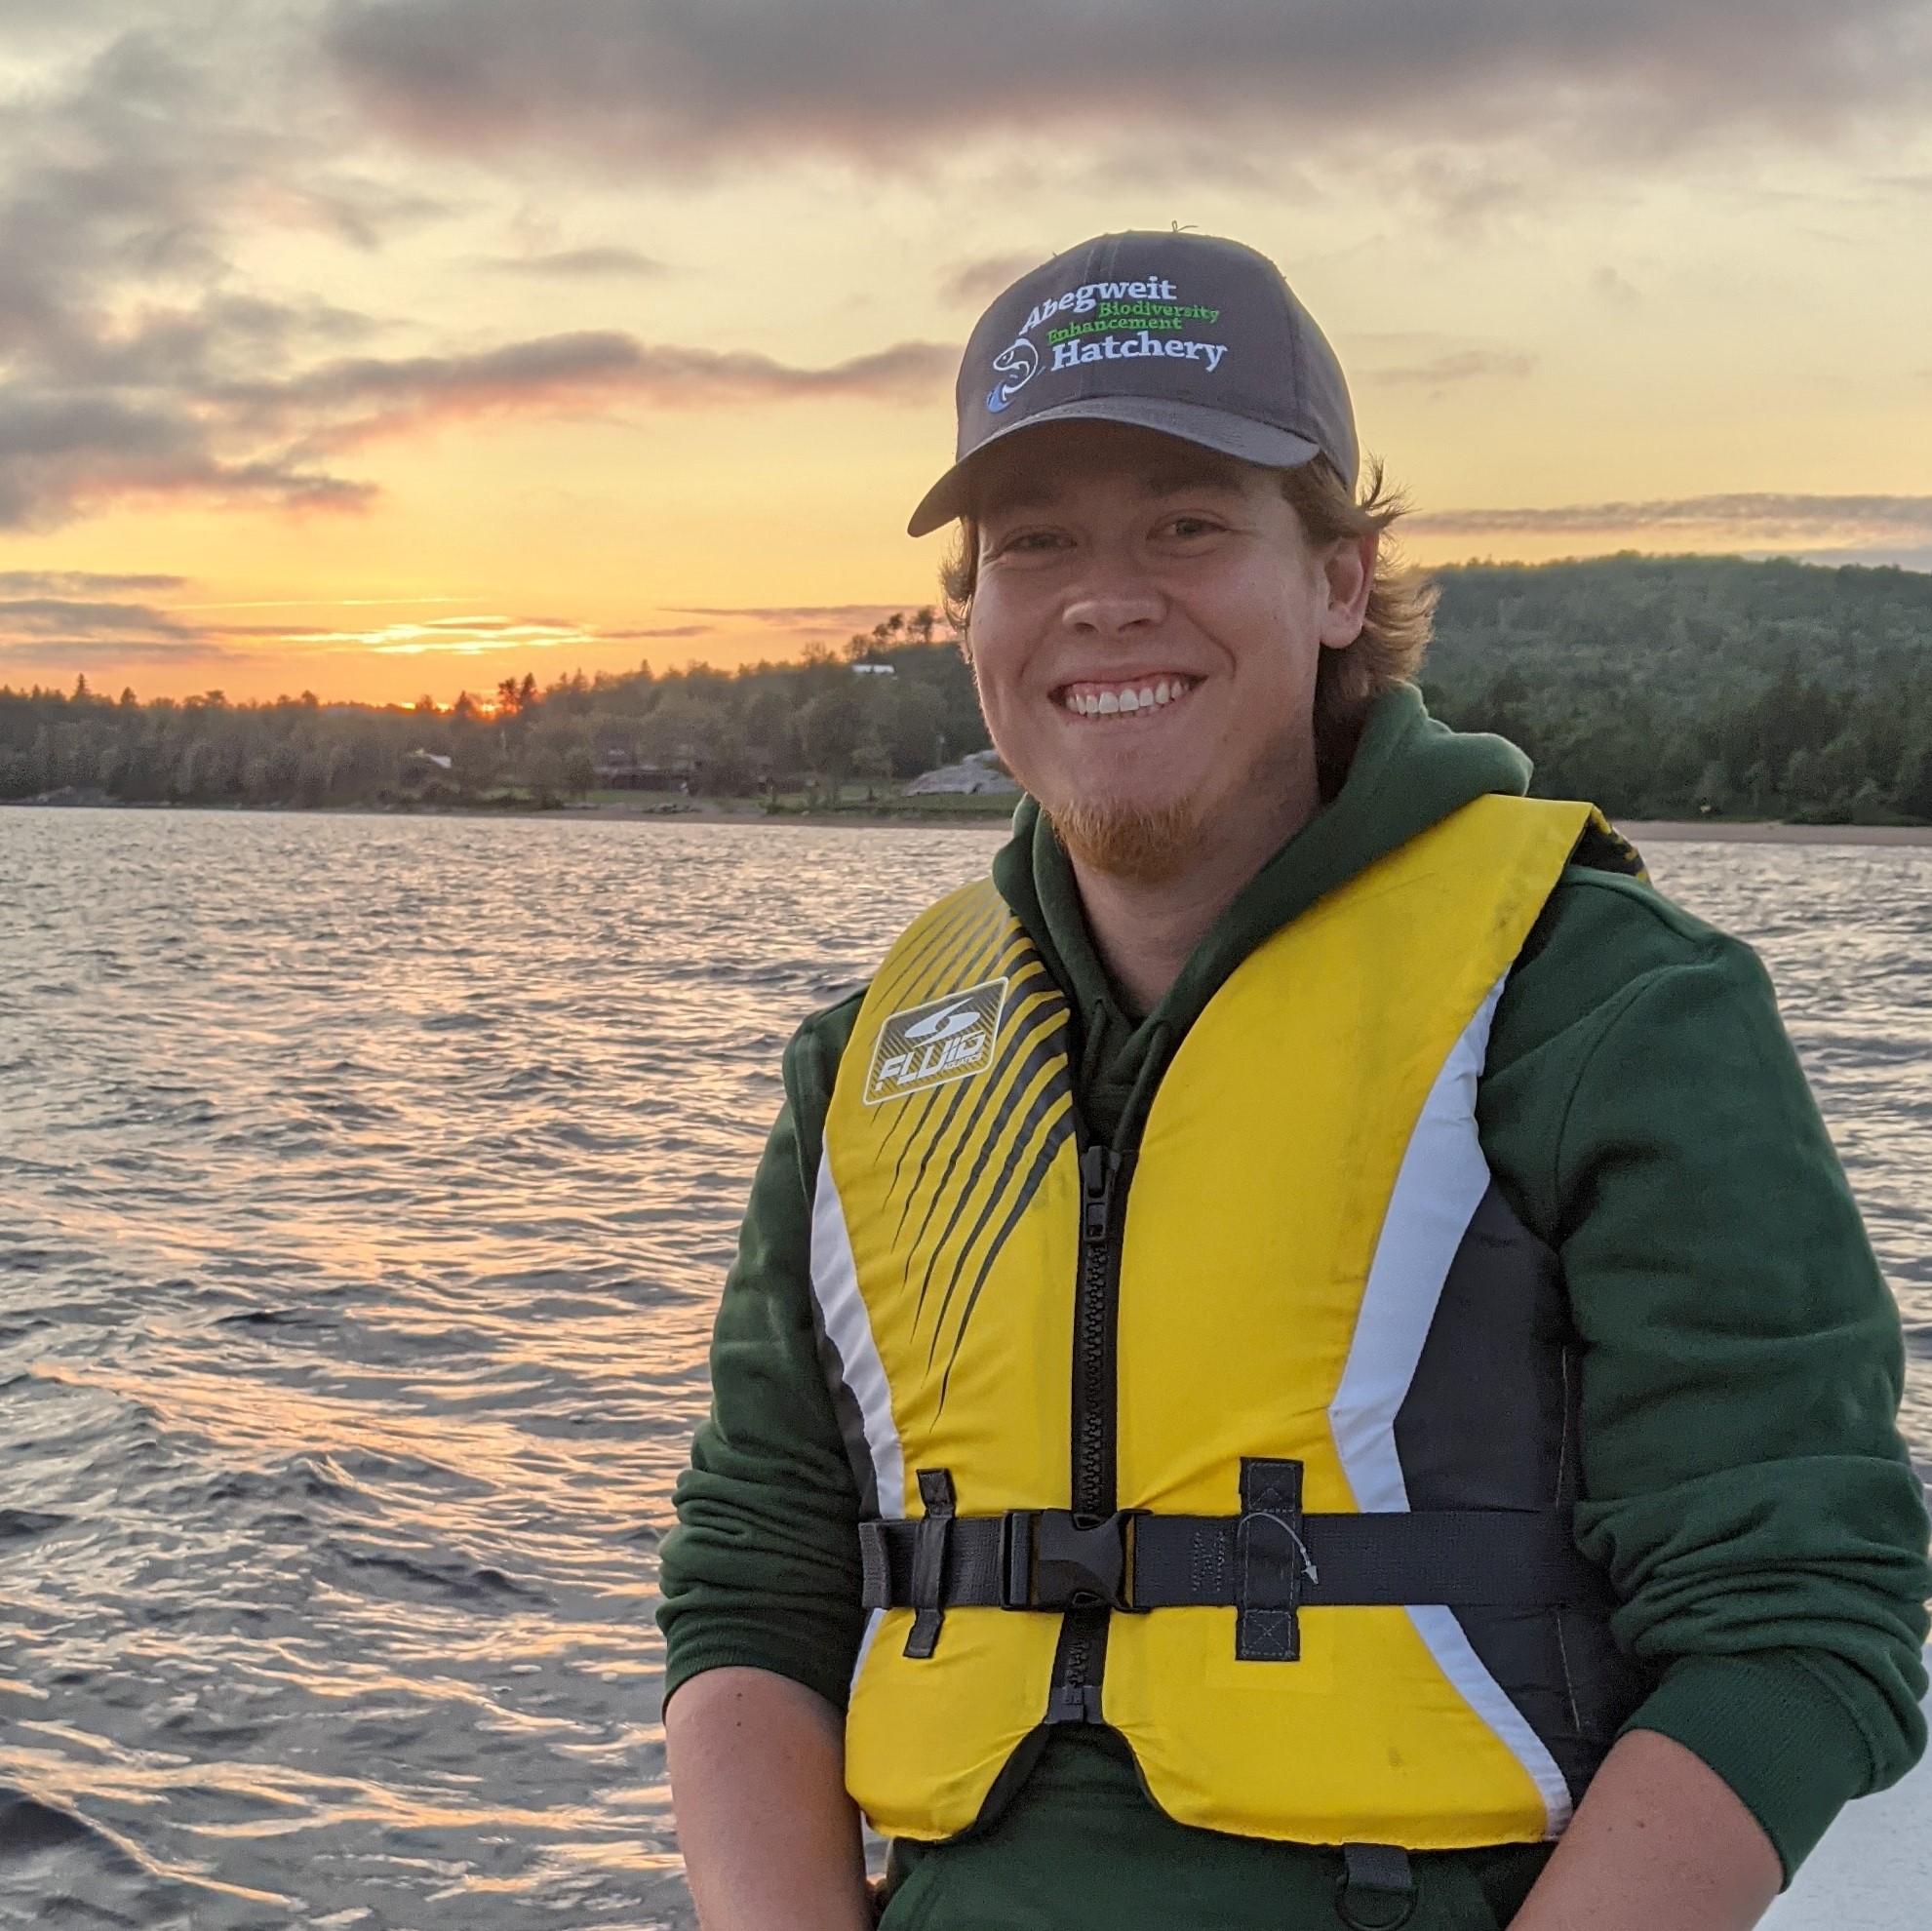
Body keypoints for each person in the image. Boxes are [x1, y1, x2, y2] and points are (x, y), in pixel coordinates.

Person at [656, 231, 1930, 1931]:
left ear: (1340, 580)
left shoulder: (1606, 1002)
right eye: (1033, 543)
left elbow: (1800, 1612)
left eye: (1188, 521)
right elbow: (752, 1582)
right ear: (973, 619)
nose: (1105, 597)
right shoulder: (862, 1060)